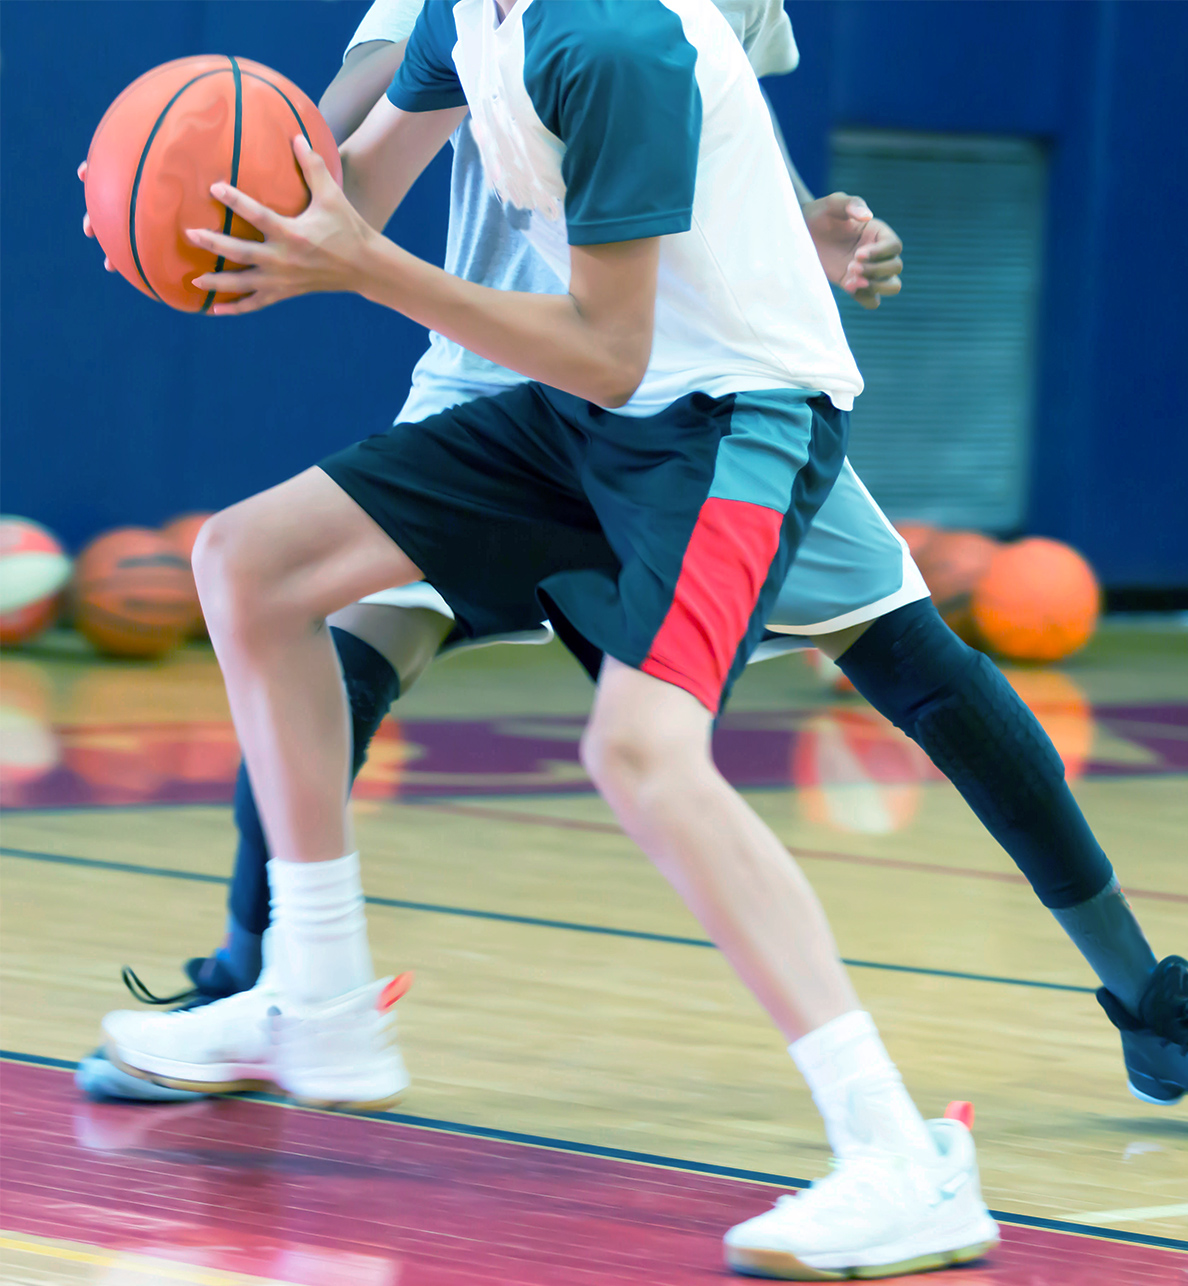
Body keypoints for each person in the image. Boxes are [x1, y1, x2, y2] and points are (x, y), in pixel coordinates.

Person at [85, 0, 1188, 1158]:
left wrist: (801, 223)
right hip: (491, 367)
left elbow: (696, 127)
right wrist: (211, 190)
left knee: (915, 667)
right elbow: (349, 129)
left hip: (705, 388)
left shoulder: (636, 33)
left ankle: (1146, 1002)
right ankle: (280, 982)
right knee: (303, 613)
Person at [91, 1, 1003, 1276]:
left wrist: (356, 262)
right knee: (245, 563)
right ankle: (320, 990)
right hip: (586, 406)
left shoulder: (615, 37)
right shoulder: (465, 12)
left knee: (642, 752)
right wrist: (197, 215)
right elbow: (341, 196)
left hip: (730, 413)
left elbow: (612, 347)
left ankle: (902, 1155)